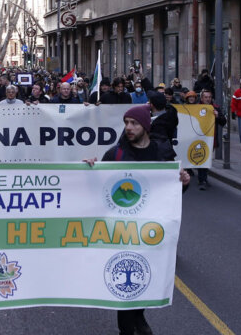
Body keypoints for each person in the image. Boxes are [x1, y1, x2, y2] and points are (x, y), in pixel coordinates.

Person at [84, 106, 191, 335]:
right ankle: (126, 329)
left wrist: (184, 182)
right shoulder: (116, 154)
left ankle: (138, 315)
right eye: (126, 123)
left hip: (151, 229)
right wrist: (90, 170)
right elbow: (97, 189)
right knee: (125, 284)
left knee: (144, 277)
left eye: (134, 123)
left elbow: (171, 194)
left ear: (146, 126)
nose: (129, 128)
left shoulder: (161, 154)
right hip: (122, 230)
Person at [197, 89, 226, 190]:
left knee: (207, 158)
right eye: (206, 97)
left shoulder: (215, 108)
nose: (208, 99)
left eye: (209, 97)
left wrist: (217, 116)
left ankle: (203, 178)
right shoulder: (196, 108)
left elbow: (223, 122)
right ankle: (202, 179)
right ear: (202, 98)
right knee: (201, 158)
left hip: (210, 138)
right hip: (198, 138)